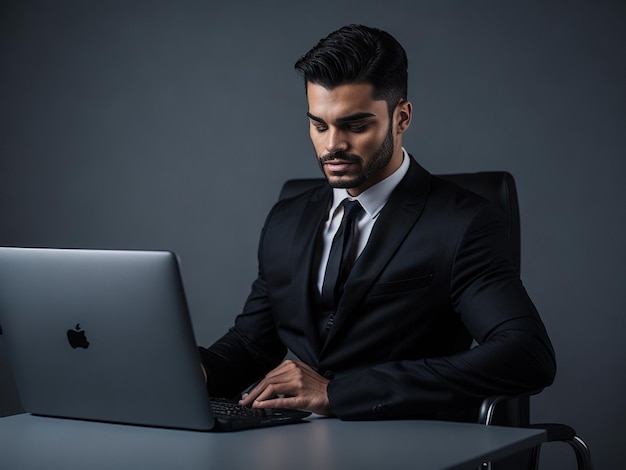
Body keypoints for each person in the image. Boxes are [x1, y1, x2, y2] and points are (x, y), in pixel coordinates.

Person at [199, 24, 556, 421]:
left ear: (401, 117)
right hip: (296, 441)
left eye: (355, 126)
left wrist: (340, 393)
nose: (332, 144)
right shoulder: (286, 219)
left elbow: (527, 354)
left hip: (406, 442)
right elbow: (252, 345)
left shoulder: (462, 223)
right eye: (319, 125)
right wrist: (193, 372)